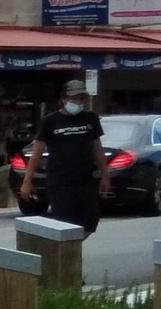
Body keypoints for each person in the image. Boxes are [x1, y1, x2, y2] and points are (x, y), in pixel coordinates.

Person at [19, 85, 109, 234]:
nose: (78, 102)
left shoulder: (90, 119)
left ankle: (71, 249)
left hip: (86, 180)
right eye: (74, 98)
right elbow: (36, 154)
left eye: (81, 99)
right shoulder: (50, 121)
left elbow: (98, 149)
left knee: (90, 221)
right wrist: (27, 181)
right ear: (64, 99)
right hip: (60, 182)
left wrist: (105, 176)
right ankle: (65, 253)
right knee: (65, 222)